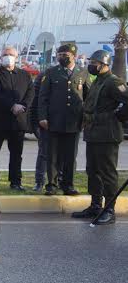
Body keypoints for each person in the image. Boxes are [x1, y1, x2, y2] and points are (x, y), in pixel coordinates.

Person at [72, 50, 128, 225]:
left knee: (108, 173)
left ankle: (109, 210)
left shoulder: (114, 82)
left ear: (104, 65)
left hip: (107, 134)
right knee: (93, 171)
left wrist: (119, 116)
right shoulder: (98, 82)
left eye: (94, 63)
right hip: (94, 133)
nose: (91, 66)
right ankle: (95, 206)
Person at [38, 43, 90, 196]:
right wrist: (42, 117)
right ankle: (52, 184)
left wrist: (86, 117)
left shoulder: (83, 73)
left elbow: (89, 96)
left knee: (70, 156)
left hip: (74, 121)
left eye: (65, 55)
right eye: (60, 55)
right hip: (54, 120)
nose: (62, 58)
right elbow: (43, 97)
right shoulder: (51, 72)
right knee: (53, 155)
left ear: (73, 56)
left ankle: (68, 184)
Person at [0, 46, 34, 191]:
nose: (8, 57)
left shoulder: (25, 75)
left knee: (16, 154)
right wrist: (12, 106)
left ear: (17, 57)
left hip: (18, 121)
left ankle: (15, 182)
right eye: (5, 54)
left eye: (11, 54)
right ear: (0, 57)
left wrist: (23, 106)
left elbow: (31, 92)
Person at [29, 71, 49, 191]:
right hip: (44, 122)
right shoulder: (44, 75)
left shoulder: (78, 74)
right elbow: (35, 100)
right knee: (43, 153)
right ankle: (39, 182)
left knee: (63, 156)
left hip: (63, 123)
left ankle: (58, 182)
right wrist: (34, 121)